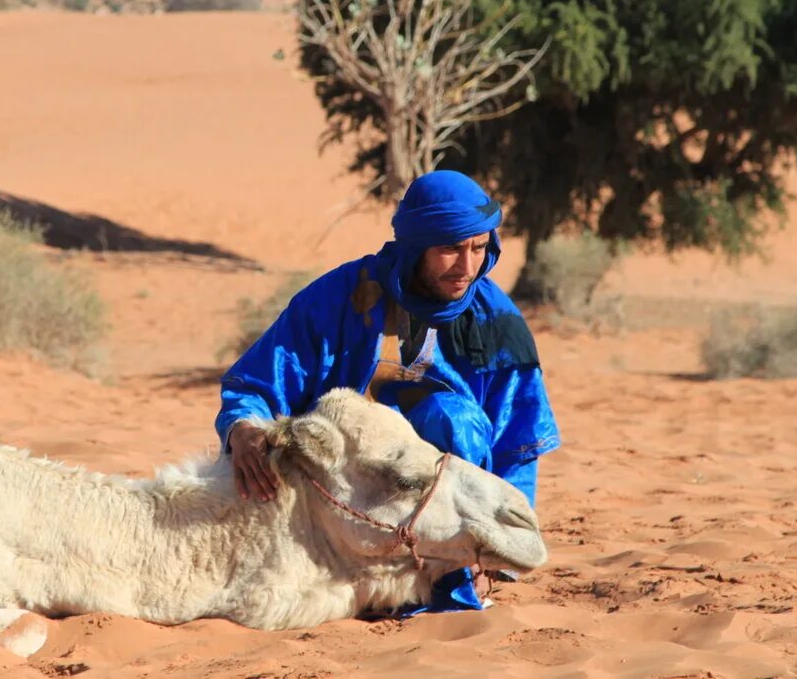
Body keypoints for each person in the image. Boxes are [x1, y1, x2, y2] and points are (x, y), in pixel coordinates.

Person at [216, 170, 560, 612]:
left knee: (455, 419)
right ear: (416, 248)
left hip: (445, 507)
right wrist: (243, 427)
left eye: (479, 248)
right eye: (450, 249)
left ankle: (447, 583)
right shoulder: (337, 299)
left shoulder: (496, 321)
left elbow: (517, 442)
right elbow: (258, 385)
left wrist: (502, 545)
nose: (467, 267)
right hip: (341, 505)